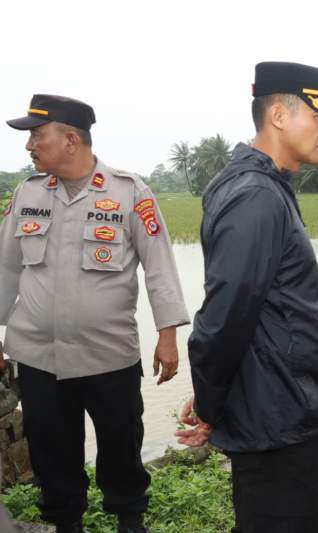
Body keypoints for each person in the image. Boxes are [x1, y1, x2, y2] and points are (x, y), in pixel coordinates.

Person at [176, 62, 318, 533]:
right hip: (277, 415)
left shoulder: (265, 186)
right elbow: (226, 313)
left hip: (277, 404)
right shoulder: (255, 194)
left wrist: (214, 394)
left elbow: (255, 313)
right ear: (278, 115)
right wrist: (211, 404)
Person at [0, 94, 189, 533]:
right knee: (51, 451)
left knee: (121, 445)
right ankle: (67, 525)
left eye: (37, 135)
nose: (30, 145)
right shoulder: (27, 194)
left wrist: (167, 336)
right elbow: (5, 270)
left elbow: (159, 267)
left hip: (109, 356)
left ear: (70, 139)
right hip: (38, 356)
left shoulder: (129, 192)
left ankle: (130, 520)